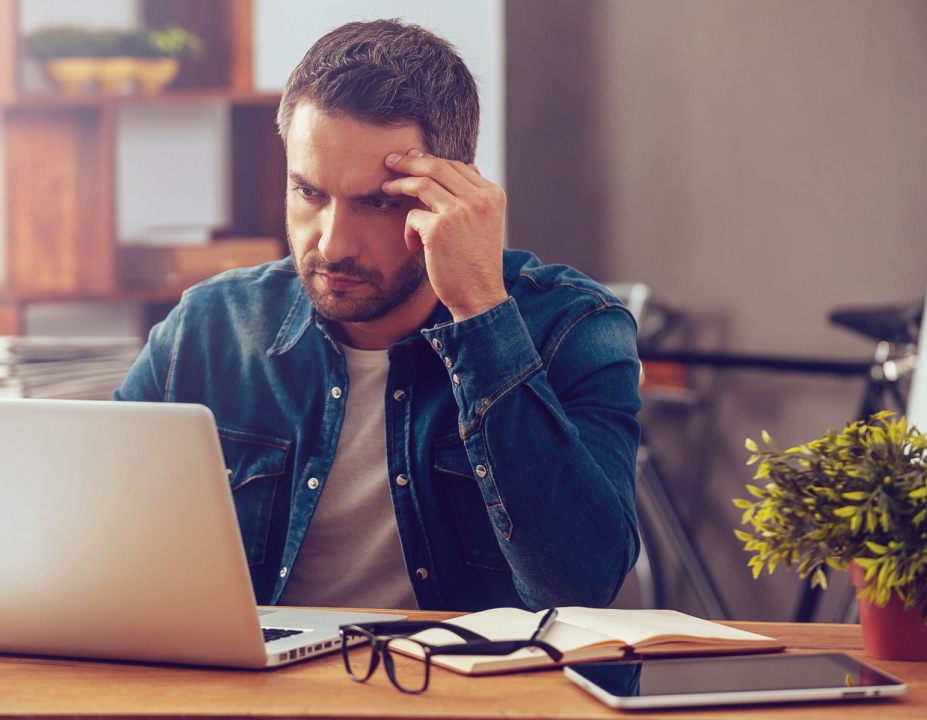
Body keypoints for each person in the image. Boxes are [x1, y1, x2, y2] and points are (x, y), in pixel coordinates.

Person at [115, 19, 641, 612]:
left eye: (375, 203)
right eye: (309, 193)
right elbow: (94, 537)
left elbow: (583, 585)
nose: (334, 244)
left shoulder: (575, 327)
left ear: (452, 193)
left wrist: (482, 313)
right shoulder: (210, 327)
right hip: (266, 698)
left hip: (476, 697)